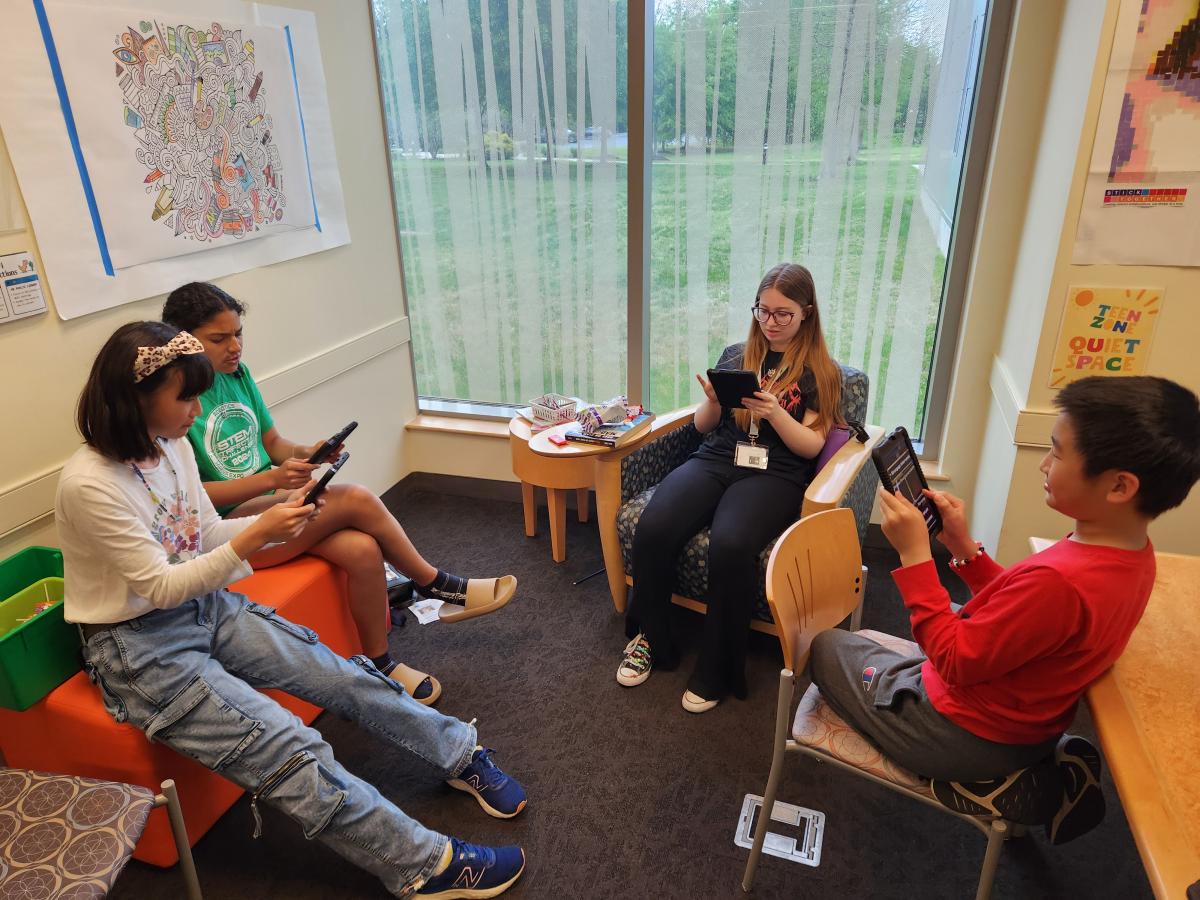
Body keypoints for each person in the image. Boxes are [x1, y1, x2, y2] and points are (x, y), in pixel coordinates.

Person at [58, 322, 528, 898]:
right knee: (289, 748)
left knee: (343, 676)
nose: (197, 410)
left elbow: (202, 535)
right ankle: (424, 866)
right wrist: (259, 536)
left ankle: (458, 752)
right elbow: (159, 587)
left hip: (202, 605)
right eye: (185, 398)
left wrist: (274, 522)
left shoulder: (170, 446)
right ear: (134, 399)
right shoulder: (88, 485)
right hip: (138, 649)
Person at [808, 375, 1200, 843]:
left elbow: (952, 659)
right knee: (939, 622)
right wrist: (962, 546)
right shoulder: (1131, 555)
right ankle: (1041, 761)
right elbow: (1023, 608)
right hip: (1026, 720)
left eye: (1057, 452)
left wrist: (914, 555)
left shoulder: (1060, 581)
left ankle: (995, 783)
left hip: (959, 733)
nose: (1045, 464)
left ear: (1119, 486)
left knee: (827, 646)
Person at [162, 282, 518, 706]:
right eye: (220, 338)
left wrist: (307, 453)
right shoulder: (175, 405)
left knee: (362, 550)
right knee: (355, 498)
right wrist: (274, 480)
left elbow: (273, 443)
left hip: (276, 506)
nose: (235, 346)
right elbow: (194, 499)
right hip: (233, 531)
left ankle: (379, 665)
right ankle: (436, 585)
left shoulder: (237, 376)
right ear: (183, 342)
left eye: (239, 334)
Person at [617, 262, 845, 713]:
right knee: (655, 525)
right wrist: (711, 402)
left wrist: (775, 413)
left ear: (807, 313)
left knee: (732, 544)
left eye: (783, 314)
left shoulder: (820, 371)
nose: (770, 322)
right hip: (719, 457)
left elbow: (811, 445)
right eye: (763, 310)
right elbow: (704, 427)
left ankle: (718, 668)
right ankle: (650, 638)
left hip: (775, 471)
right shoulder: (737, 356)